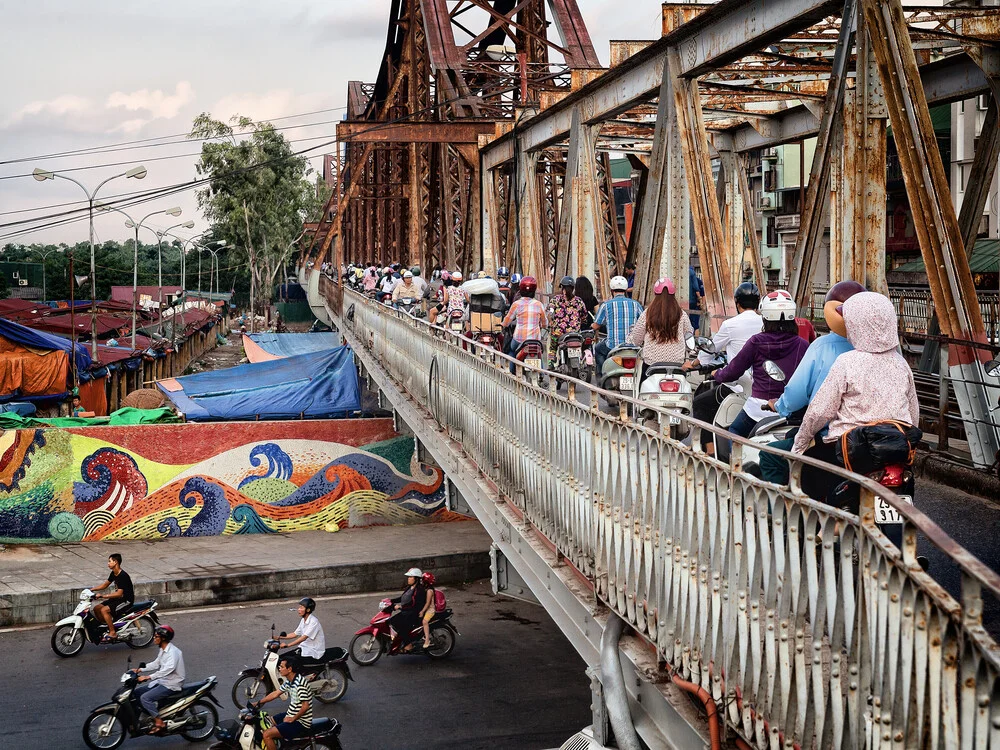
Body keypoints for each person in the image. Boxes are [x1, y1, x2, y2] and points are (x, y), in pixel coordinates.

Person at [790, 292, 919, 490]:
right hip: (894, 449)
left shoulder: (847, 362)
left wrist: (800, 444)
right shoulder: (901, 364)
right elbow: (913, 414)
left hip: (851, 449)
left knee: (807, 473)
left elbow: (819, 412)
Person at [758, 280, 865, 486]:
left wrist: (780, 406)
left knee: (770, 455)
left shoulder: (824, 348)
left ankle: (782, 516)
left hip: (837, 439)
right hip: (885, 441)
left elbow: (808, 402)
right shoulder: (892, 353)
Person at [710, 290, 809, 439]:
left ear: (765, 317)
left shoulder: (756, 342)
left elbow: (733, 370)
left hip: (759, 408)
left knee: (734, 432)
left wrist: (717, 375)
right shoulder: (802, 345)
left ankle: (735, 462)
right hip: (791, 408)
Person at [683, 282, 763, 454]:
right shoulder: (765, 323)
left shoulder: (730, 325)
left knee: (701, 403)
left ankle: (709, 451)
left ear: (737, 303)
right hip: (762, 386)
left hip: (736, 385)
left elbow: (711, 349)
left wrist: (694, 363)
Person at [626, 277, 693, 379]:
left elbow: (637, 339)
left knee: (642, 390)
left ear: (655, 294)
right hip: (677, 364)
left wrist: (631, 339)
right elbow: (689, 337)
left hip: (651, 364)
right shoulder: (681, 314)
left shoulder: (648, 313)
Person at [132, 625, 184, 734]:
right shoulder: (163, 649)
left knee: (145, 698)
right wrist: (140, 670)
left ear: (163, 638)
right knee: (136, 693)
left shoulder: (172, 653)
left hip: (171, 684)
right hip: (163, 681)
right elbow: (156, 664)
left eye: (156, 636)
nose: (154, 638)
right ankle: (150, 715)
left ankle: (159, 721)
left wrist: (148, 677)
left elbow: (167, 670)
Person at [259, 654, 314, 750]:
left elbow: (305, 706)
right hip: (291, 714)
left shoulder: (299, 684)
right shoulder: (290, 680)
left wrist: (293, 718)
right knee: (268, 721)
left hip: (300, 722)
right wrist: (258, 703)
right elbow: (276, 693)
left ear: (289, 669)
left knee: (267, 734)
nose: (279, 669)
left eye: (281, 667)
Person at [592, 275, 643, 372]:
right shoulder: (636, 304)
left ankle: (603, 374)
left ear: (612, 290)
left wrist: (592, 326)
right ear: (625, 289)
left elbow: (596, 326)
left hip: (612, 346)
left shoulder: (606, 305)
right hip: (632, 346)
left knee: (598, 349)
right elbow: (643, 323)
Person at [502, 276, 548, 374]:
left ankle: (510, 374)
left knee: (511, 350)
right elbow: (545, 323)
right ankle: (542, 375)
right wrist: (543, 326)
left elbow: (507, 321)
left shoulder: (516, 304)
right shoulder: (539, 304)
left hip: (519, 339)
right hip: (535, 340)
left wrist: (503, 324)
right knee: (539, 352)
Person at [546, 276, 589, 367]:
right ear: (573, 288)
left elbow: (550, 312)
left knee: (552, 347)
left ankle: (551, 363)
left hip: (559, 333)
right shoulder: (578, 301)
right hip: (575, 333)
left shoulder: (556, 300)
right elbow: (584, 316)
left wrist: (551, 321)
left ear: (562, 288)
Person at [91, 553, 134, 641]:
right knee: (96, 608)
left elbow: (119, 593)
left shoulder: (123, 575)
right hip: (118, 598)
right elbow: (105, 585)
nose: (108, 563)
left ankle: (112, 632)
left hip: (126, 600)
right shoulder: (114, 573)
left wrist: (103, 596)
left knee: (104, 610)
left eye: (109, 561)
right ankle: (107, 626)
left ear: (115, 562)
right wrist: (92, 589)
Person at [276, 597, 326, 666]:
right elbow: (295, 634)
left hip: (313, 651)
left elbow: (303, 638)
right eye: (299, 607)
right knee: (279, 659)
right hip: (304, 648)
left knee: (287, 663)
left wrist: (287, 645)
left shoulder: (314, 622)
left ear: (308, 610)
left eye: (301, 608)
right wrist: (278, 637)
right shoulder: (303, 620)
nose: (299, 610)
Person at [389, 567, 426, 651]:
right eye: (408, 577)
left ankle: (408, 644)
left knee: (400, 625)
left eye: (410, 577)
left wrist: (401, 607)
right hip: (407, 612)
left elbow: (415, 605)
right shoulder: (409, 588)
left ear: (416, 578)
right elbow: (402, 598)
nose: (408, 579)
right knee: (391, 621)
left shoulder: (419, 590)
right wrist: (390, 600)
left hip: (414, 614)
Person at [419, 571, 437, 649]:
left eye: (422, 580)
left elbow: (427, 603)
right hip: (426, 608)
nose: (421, 581)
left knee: (424, 621)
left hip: (430, 610)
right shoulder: (424, 588)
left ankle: (427, 639)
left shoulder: (429, 591)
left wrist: (422, 611)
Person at [688, 264, 705, 331]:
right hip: (694, 304)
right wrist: (702, 303)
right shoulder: (697, 280)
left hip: (685, 304)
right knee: (696, 326)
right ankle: (695, 340)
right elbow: (698, 291)